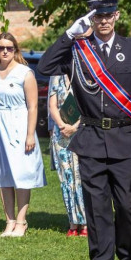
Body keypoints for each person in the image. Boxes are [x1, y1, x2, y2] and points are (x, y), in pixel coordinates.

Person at [39, 0, 131, 260]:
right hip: (91, 141)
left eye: (108, 15)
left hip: (124, 142)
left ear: (117, 15)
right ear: (90, 18)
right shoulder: (78, 50)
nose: (103, 20)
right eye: (97, 16)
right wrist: (68, 34)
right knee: (98, 211)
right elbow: (44, 67)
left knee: (129, 210)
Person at [0, 32, 46, 238]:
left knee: (21, 173)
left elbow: (33, 106)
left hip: (18, 124)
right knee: (3, 175)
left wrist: (30, 134)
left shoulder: (24, 73)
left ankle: (21, 220)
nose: (5, 51)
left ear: (15, 50)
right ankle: (9, 220)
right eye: (1, 47)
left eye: (9, 48)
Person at [47, 74, 87, 237]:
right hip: (61, 134)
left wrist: (75, 127)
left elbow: (90, 105)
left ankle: (85, 222)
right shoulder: (55, 77)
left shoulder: (85, 74)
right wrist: (63, 126)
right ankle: (72, 222)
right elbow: (52, 105)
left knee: (81, 177)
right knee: (67, 178)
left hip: (83, 131)